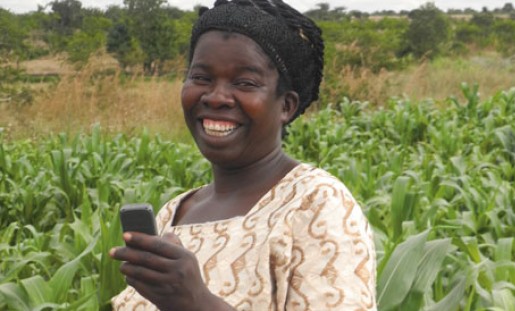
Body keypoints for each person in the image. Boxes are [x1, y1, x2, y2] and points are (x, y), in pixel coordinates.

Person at [108, 0, 376, 310]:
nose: (216, 96)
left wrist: (196, 302)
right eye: (201, 78)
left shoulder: (315, 204)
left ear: (286, 106)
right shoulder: (172, 213)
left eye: (245, 83)